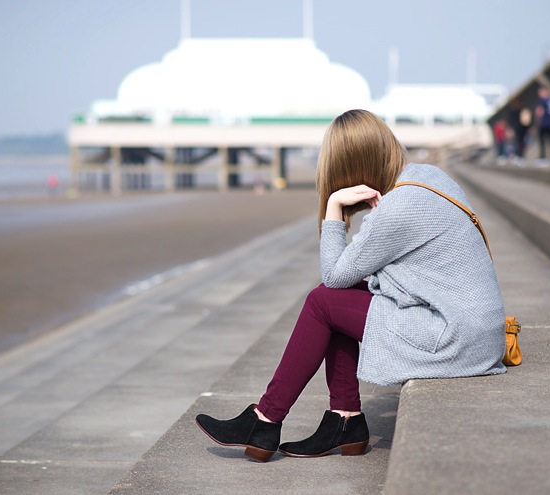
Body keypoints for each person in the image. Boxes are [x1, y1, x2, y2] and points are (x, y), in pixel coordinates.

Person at [194, 109, 508, 462]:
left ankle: (265, 420)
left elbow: (334, 275)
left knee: (322, 301)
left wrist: (333, 206)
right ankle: (344, 419)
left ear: (352, 170)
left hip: (457, 337)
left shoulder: (396, 209)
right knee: (337, 298)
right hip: (476, 330)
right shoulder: (428, 177)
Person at [535, 85, 550, 162]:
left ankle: (543, 157)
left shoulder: (542, 101)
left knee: (542, 141)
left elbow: (539, 112)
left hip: (544, 124)